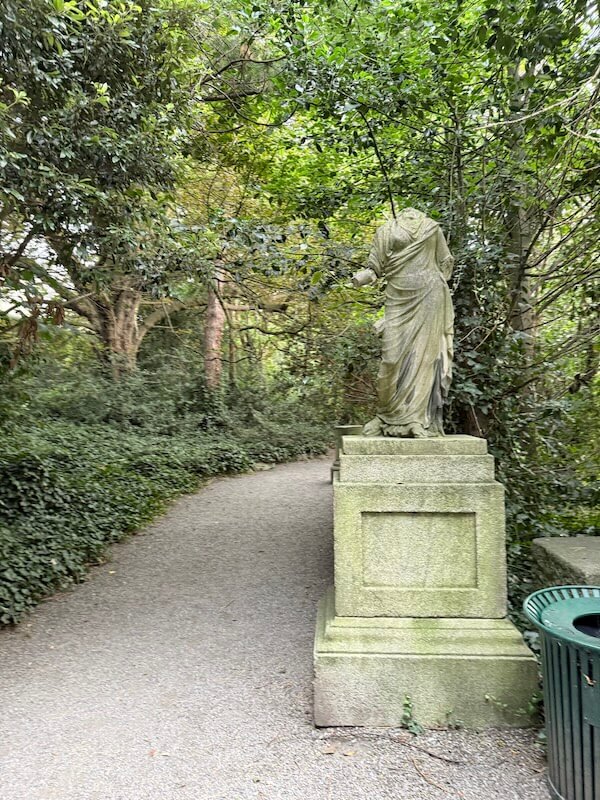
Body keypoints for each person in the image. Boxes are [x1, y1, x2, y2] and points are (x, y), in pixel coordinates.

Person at [353, 207, 454, 438]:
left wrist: (440, 278)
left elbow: (445, 260)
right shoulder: (386, 230)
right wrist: (360, 278)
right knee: (391, 360)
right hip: (398, 298)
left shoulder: (431, 227)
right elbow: (374, 268)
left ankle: (418, 419)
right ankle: (386, 415)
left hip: (430, 296)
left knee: (425, 359)